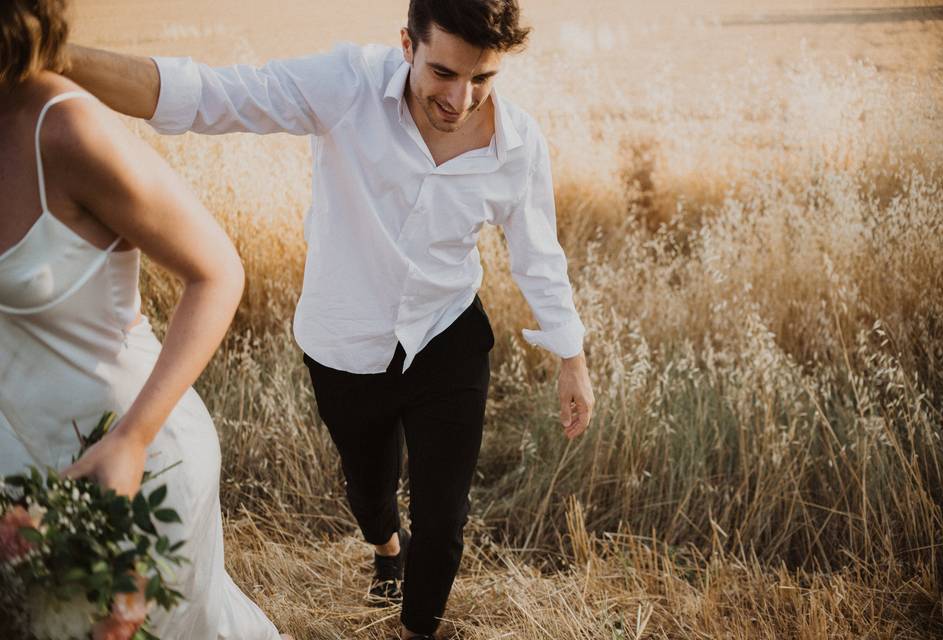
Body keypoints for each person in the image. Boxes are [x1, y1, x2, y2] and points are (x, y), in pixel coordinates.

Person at [66, 0, 596, 638]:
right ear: (407, 44)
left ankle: (416, 628)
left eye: (482, 78)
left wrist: (572, 357)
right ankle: (384, 549)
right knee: (371, 494)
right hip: (343, 343)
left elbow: (539, 253)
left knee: (444, 517)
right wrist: (52, 56)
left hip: (447, 334)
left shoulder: (517, 144)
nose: (461, 99)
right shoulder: (347, 86)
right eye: (444, 74)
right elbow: (213, 95)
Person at [0, 1, 293, 638]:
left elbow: (218, 272)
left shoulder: (64, 127)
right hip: (20, 481)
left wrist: (129, 442)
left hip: (132, 468)